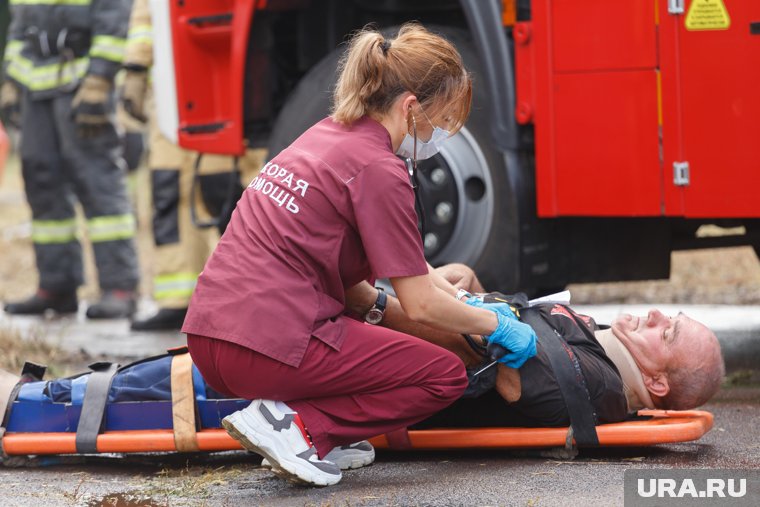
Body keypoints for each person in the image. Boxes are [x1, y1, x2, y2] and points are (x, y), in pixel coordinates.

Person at [182, 23, 538, 486]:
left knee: (373, 336)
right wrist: (496, 325)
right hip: (266, 346)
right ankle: (299, 427)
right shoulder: (379, 168)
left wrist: (449, 293)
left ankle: (321, 433)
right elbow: (421, 305)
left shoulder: (325, 137)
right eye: (444, 118)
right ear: (411, 108)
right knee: (444, 375)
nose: (444, 133)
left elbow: (377, 283)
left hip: (212, 337)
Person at [344, 265, 725, 430]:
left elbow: (479, 351)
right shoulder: (600, 351)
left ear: (656, 383)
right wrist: (473, 290)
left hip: (368, 362)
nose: (656, 314)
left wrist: (370, 303)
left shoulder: (595, 384)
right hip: (392, 334)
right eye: (669, 317)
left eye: (667, 333)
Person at [120, 0, 266, 331]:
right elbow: (148, 13)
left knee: (223, 191)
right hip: (173, 86)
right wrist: (135, 68)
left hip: (225, 69)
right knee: (168, 189)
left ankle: (245, 296)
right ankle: (180, 300)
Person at [2, 0, 140, 319]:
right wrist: (11, 80)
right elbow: (19, 26)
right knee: (41, 181)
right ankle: (57, 285)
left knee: (97, 181)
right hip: (35, 90)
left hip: (83, 86)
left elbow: (115, 22)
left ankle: (120, 287)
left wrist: (100, 80)